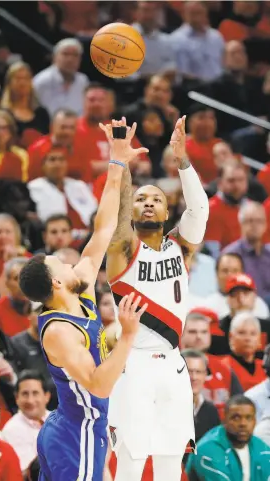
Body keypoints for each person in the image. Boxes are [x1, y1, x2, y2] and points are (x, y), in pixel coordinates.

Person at [18, 118, 149, 481]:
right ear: (56, 281)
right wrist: (126, 335)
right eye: (59, 260)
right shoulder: (59, 331)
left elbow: (103, 228)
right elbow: (99, 384)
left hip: (75, 425)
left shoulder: (80, 290)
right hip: (76, 433)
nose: (69, 257)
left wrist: (117, 162)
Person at [106, 116, 209, 481]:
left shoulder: (180, 248)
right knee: (131, 461)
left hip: (174, 365)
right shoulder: (120, 249)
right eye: (140, 200)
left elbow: (199, 211)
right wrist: (121, 162)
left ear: (167, 212)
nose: (147, 204)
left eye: (156, 200)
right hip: (133, 364)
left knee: (169, 461)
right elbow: (117, 215)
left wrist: (183, 160)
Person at [186, 395, 270, 481]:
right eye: (236, 418)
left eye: (248, 418)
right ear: (224, 420)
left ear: (255, 421)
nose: (243, 423)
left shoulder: (263, 449)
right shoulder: (208, 449)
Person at [2, 370, 51, 472]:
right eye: (25, 394)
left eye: (35, 393)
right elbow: (31, 472)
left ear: (46, 396)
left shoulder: (63, 420)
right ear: (16, 398)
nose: (30, 400)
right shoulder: (11, 430)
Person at [182, 349, 220, 442]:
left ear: (205, 375)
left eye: (198, 372)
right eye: (188, 371)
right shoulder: (161, 407)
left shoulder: (211, 411)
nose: (194, 377)